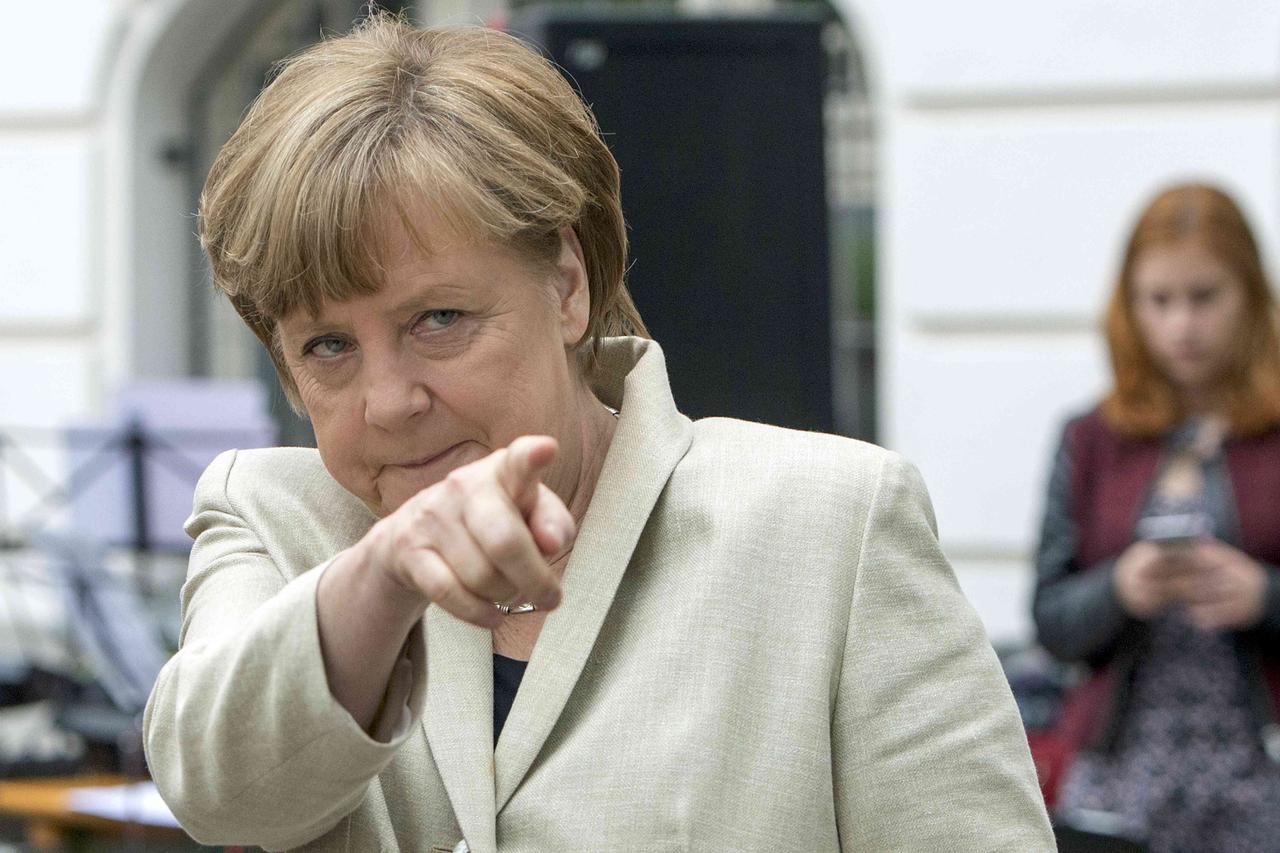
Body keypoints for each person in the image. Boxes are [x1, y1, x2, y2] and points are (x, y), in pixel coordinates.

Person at [143, 13, 1052, 852]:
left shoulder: (832, 526)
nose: (386, 400)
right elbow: (217, 785)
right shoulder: (266, 516)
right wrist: (383, 577)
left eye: (439, 318)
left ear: (567, 285)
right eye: (328, 344)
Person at [1034, 183, 1280, 851]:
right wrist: (1120, 588)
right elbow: (1051, 618)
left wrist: (1263, 595)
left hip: (1260, 777)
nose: (1182, 325)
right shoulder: (1091, 438)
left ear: (1250, 296)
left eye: (1204, 297)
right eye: (1160, 300)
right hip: (1121, 775)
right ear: (1129, 304)